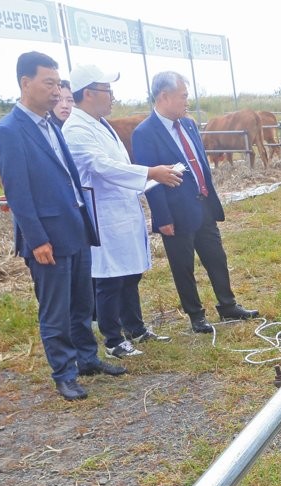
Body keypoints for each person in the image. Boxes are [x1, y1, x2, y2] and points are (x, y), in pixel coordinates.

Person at [0, 52, 125, 401]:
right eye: (48, 83)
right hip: (47, 238)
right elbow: (18, 193)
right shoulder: (9, 131)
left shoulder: (51, 124)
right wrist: (37, 240)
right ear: (25, 83)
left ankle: (86, 359)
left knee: (82, 303)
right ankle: (64, 373)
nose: (56, 91)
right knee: (56, 310)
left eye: (57, 83)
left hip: (75, 229)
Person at [63, 64, 184, 359]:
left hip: (121, 210)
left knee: (129, 274)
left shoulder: (100, 123)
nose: (112, 96)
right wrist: (150, 172)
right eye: (107, 90)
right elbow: (102, 166)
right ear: (89, 93)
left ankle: (135, 327)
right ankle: (113, 339)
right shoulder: (76, 129)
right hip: (104, 216)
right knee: (109, 278)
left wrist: (147, 179)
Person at [131, 71, 258, 333]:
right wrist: (162, 218)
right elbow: (151, 180)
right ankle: (196, 315)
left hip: (203, 204)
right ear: (164, 96)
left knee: (216, 257)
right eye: (183, 96)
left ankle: (228, 305)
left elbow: (198, 161)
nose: (187, 101)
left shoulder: (188, 124)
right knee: (183, 265)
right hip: (175, 213)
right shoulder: (145, 133)